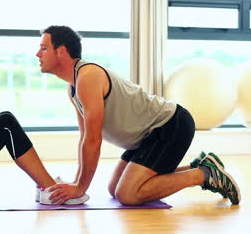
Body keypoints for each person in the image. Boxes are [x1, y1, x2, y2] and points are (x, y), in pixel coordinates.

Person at [35, 25, 240, 205]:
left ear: (61, 51)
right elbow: (85, 138)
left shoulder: (88, 77)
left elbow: (93, 139)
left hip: (170, 126)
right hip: (147, 137)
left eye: (44, 48)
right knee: (114, 188)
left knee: (128, 194)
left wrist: (80, 187)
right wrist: (77, 182)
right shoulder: (73, 88)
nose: (38, 54)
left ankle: (204, 175)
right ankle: (202, 166)